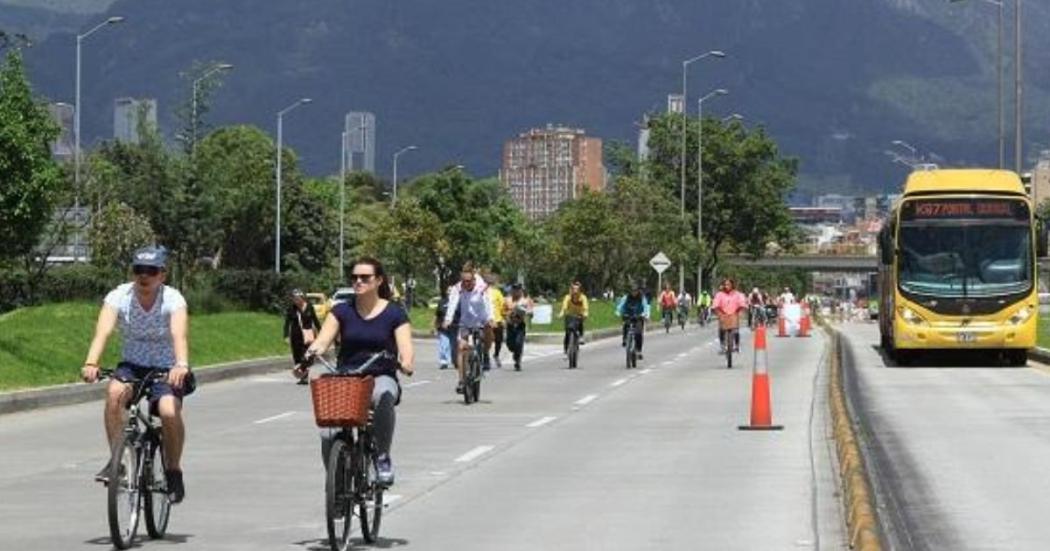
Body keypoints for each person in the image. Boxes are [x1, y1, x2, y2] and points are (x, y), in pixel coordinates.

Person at [81, 245, 192, 503]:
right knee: (114, 394)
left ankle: (174, 471)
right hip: (132, 364)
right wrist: (91, 362)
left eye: (151, 271)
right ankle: (118, 461)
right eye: (138, 270)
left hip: (166, 367)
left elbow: (179, 335)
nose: (144, 276)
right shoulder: (119, 296)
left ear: (162, 275)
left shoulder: (173, 299)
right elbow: (103, 332)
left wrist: (181, 364)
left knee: (167, 410)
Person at [302, 257, 414, 487]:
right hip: (347, 377)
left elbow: (406, 348)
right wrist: (311, 353)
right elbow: (323, 341)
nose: (358, 281)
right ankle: (336, 481)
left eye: (365, 277)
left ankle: (382, 458)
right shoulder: (341, 311)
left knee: (384, 395)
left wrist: (406, 362)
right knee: (328, 431)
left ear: (379, 280)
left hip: (380, 375)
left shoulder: (394, 313)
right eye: (354, 277)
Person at [442, 263, 492, 393]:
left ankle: (485, 354)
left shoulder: (482, 288)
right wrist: (448, 319)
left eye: (469, 281)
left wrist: (490, 318)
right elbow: (452, 304)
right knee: (461, 348)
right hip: (466, 322)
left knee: (488, 331)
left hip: (481, 320)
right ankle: (461, 381)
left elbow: (488, 304)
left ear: (474, 279)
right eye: (464, 281)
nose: (466, 284)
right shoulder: (458, 288)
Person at [284, 289, 321, 384]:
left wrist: (321, 333)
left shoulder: (309, 307)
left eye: (297, 298)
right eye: (293, 299)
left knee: (307, 356)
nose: (295, 301)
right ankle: (303, 377)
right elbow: (287, 323)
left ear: (302, 298)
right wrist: (286, 335)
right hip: (295, 336)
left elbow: (315, 320)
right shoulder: (292, 308)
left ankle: (304, 373)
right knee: (297, 356)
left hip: (308, 336)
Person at [712, 278, 748, 353]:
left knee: (736, 331)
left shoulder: (737, 294)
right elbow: (715, 304)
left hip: (734, 315)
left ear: (732, 285)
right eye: (725, 285)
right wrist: (719, 313)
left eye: (728, 284)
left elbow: (742, 303)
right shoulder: (719, 294)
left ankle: (737, 345)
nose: (726, 286)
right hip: (723, 315)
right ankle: (722, 345)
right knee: (721, 329)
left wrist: (740, 311)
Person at [616, 285, 650, 360]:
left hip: (638, 317)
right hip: (628, 316)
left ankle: (639, 350)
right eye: (632, 291)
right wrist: (619, 313)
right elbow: (620, 306)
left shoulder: (642, 298)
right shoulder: (626, 298)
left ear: (638, 291)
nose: (634, 293)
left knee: (638, 333)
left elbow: (646, 307)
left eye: (635, 291)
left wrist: (645, 315)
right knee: (625, 325)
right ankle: (625, 339)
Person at [504, 284, 534, 370]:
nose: (516, 292)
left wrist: (528, 312)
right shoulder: (507, 300)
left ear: (521, 290)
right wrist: (507, 314)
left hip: (520, 324)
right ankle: (515, 353)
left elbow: (531, 311)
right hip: (510, 324)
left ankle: (517, 360)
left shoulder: (526, 300)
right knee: (510, 345)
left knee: (518, 343)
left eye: (518, 290)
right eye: (514, 290)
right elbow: (503, 310)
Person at [558, 281, 589, 356]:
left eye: (577, 289)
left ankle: (581, 336)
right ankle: (566, 350)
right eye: (573, 289)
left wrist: (585, 314)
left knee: (580, 322)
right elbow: (564, 307)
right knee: (567, 333)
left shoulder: (583, 297)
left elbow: (585, 308)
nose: (575, 291)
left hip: (579, 315)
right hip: (570, 315)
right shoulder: (568, 297)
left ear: (579, 290)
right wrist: (561, 313)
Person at [484, 271, 505, 370]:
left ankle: (496, 354)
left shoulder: (497, 293)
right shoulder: (482, 292)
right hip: (487, 321)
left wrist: (503, 316)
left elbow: (502, 306)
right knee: (487, 340)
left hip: (497, 320)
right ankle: (486, 356)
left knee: (498, 340)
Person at [434, 287, 455, 370]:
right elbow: (437, 314)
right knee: (444, 345)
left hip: (454, 327)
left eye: (451, 290)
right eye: (449, 290)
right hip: (443, 327)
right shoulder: (442, 301)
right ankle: (444, 361)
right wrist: (434, 325)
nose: (450, 292)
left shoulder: (457, 301)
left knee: (454, 345)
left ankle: (455, 360)